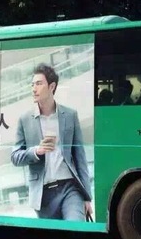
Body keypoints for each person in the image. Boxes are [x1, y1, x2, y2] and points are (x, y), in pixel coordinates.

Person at [11, 63, 93, 221]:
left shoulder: (70, 115)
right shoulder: (25, 119)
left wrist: (87, 197)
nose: (34, 89)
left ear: (52, 86)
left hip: (70, 188)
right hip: (43, 195)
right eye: (32, 84)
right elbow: (15, 157)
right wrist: (36, 151)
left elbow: (80, 157)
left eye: (39, 84)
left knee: (75, 228)